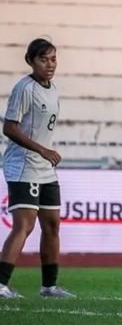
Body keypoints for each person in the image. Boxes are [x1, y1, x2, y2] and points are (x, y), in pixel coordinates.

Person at [0, 38, 74, 299]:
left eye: (53, 59)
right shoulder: (25, 88)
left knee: (52, 225)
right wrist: (42, 150)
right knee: (24, 225)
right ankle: (0, 283)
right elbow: (9, 127)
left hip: (44, 168)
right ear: (30, 61)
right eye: (44, 59)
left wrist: (45, 154)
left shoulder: (52, 89)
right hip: (22, 165)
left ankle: (49, 286)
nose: (50, 64)